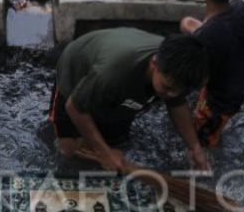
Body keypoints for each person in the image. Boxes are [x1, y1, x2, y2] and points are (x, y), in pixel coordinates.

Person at [48, 27, 210, 173]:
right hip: (76, 76)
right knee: (69, 151)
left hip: (119, 92)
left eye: (179, 91)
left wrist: (195, 148)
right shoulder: (114, 73)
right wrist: (103, 153)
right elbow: (74, 107)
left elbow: (178, 104)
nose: (173, 95)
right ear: (155, 62)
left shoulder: (177, 70)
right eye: (167, 87)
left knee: (117, 149)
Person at [180, 0, 244, 148]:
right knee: (187, 23)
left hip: (221, 100)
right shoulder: (240, 7)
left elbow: (198, 78)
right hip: (241, 79)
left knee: (203, 138)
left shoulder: (206, 38)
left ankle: (208, 165)